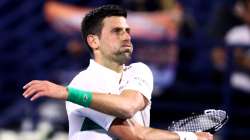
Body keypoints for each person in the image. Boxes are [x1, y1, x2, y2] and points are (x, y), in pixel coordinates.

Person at [23, 5, 213, 140]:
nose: (126, 36)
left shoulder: (140, 70)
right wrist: (190, 137)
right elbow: (135, 134)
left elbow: (130, 104)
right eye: (116, 31)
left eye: (127, 30)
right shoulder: (83, 83)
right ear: (93, 41)